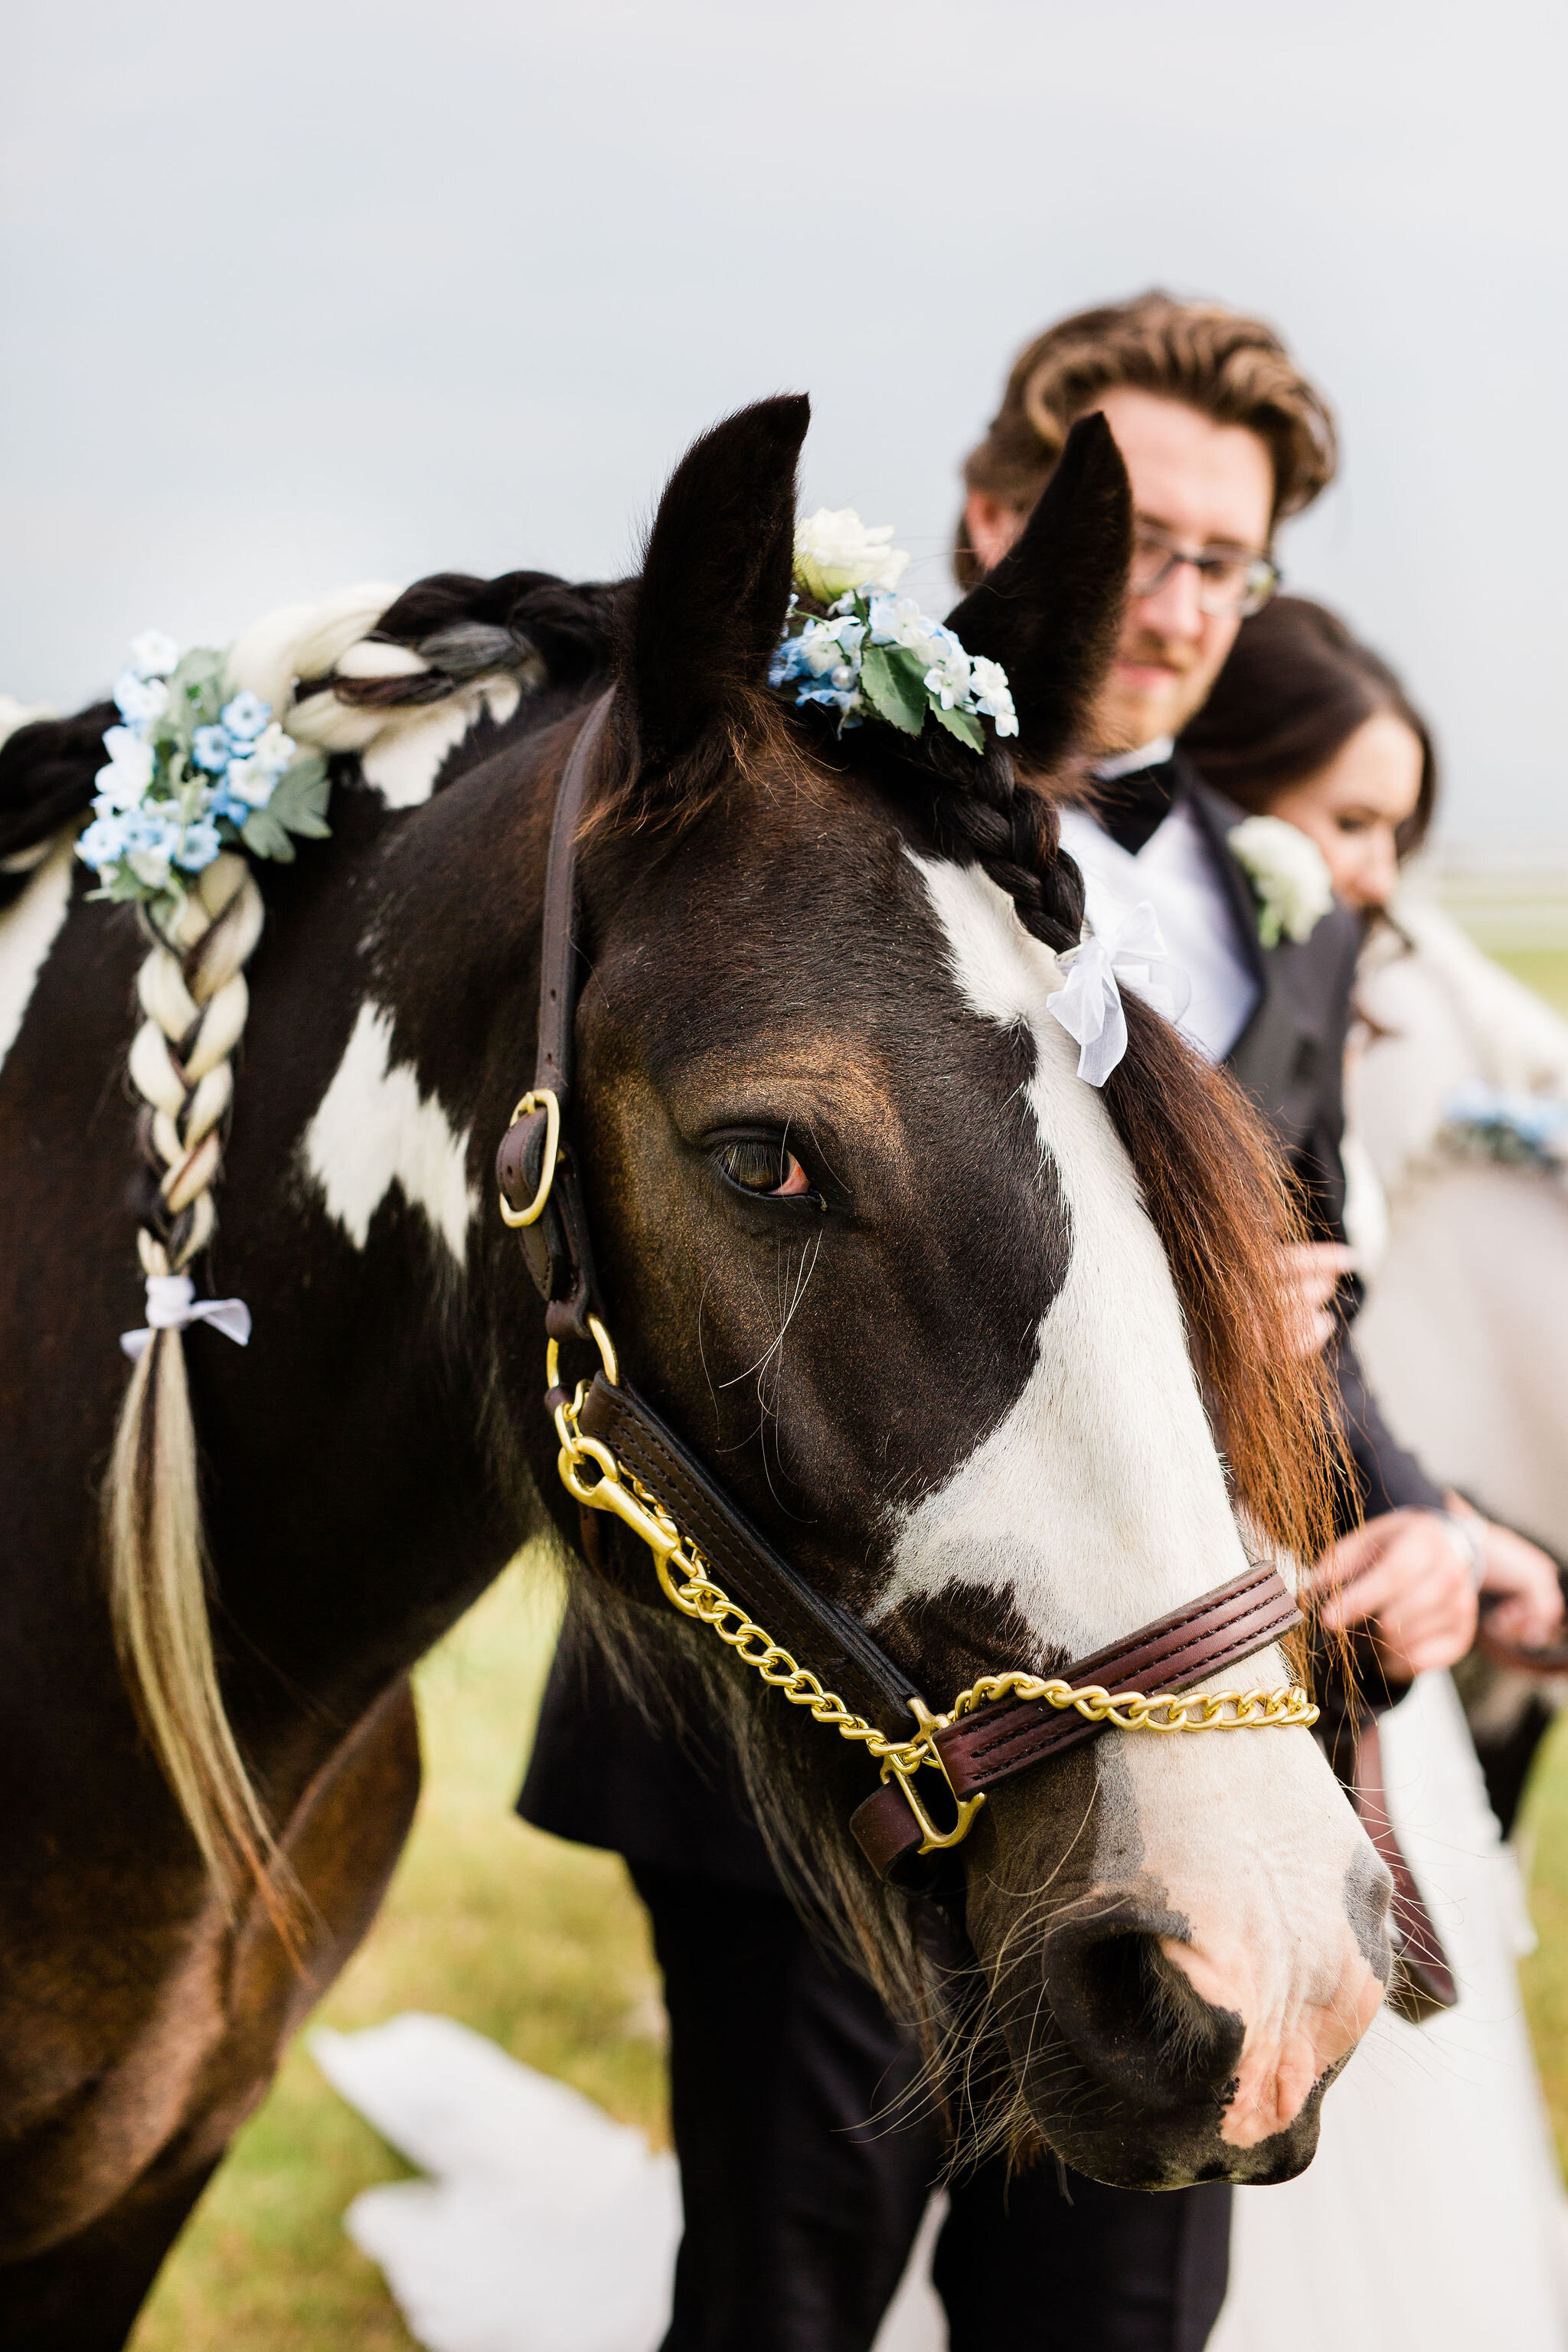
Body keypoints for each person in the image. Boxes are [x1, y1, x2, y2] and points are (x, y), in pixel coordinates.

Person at [519, 293, 1561, 2352]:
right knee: (781, 2298)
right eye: (1144, 543)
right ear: (1007, 522)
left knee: (1112, 2316)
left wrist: (1432, 1514)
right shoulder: (801, 816)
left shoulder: (1278, 899)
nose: (1178, 605)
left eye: (1228, 562)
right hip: (837, 1705)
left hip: (1162, 1737)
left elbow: (1305, 1306)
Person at [1178, 595, 1568, 2347]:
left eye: (1399, 832)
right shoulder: (1175, 987)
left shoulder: (1353, 981)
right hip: (1202, 1585)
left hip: (1350, 1548)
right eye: (1345, 821)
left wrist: (1452, 1533)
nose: (1374, 872)